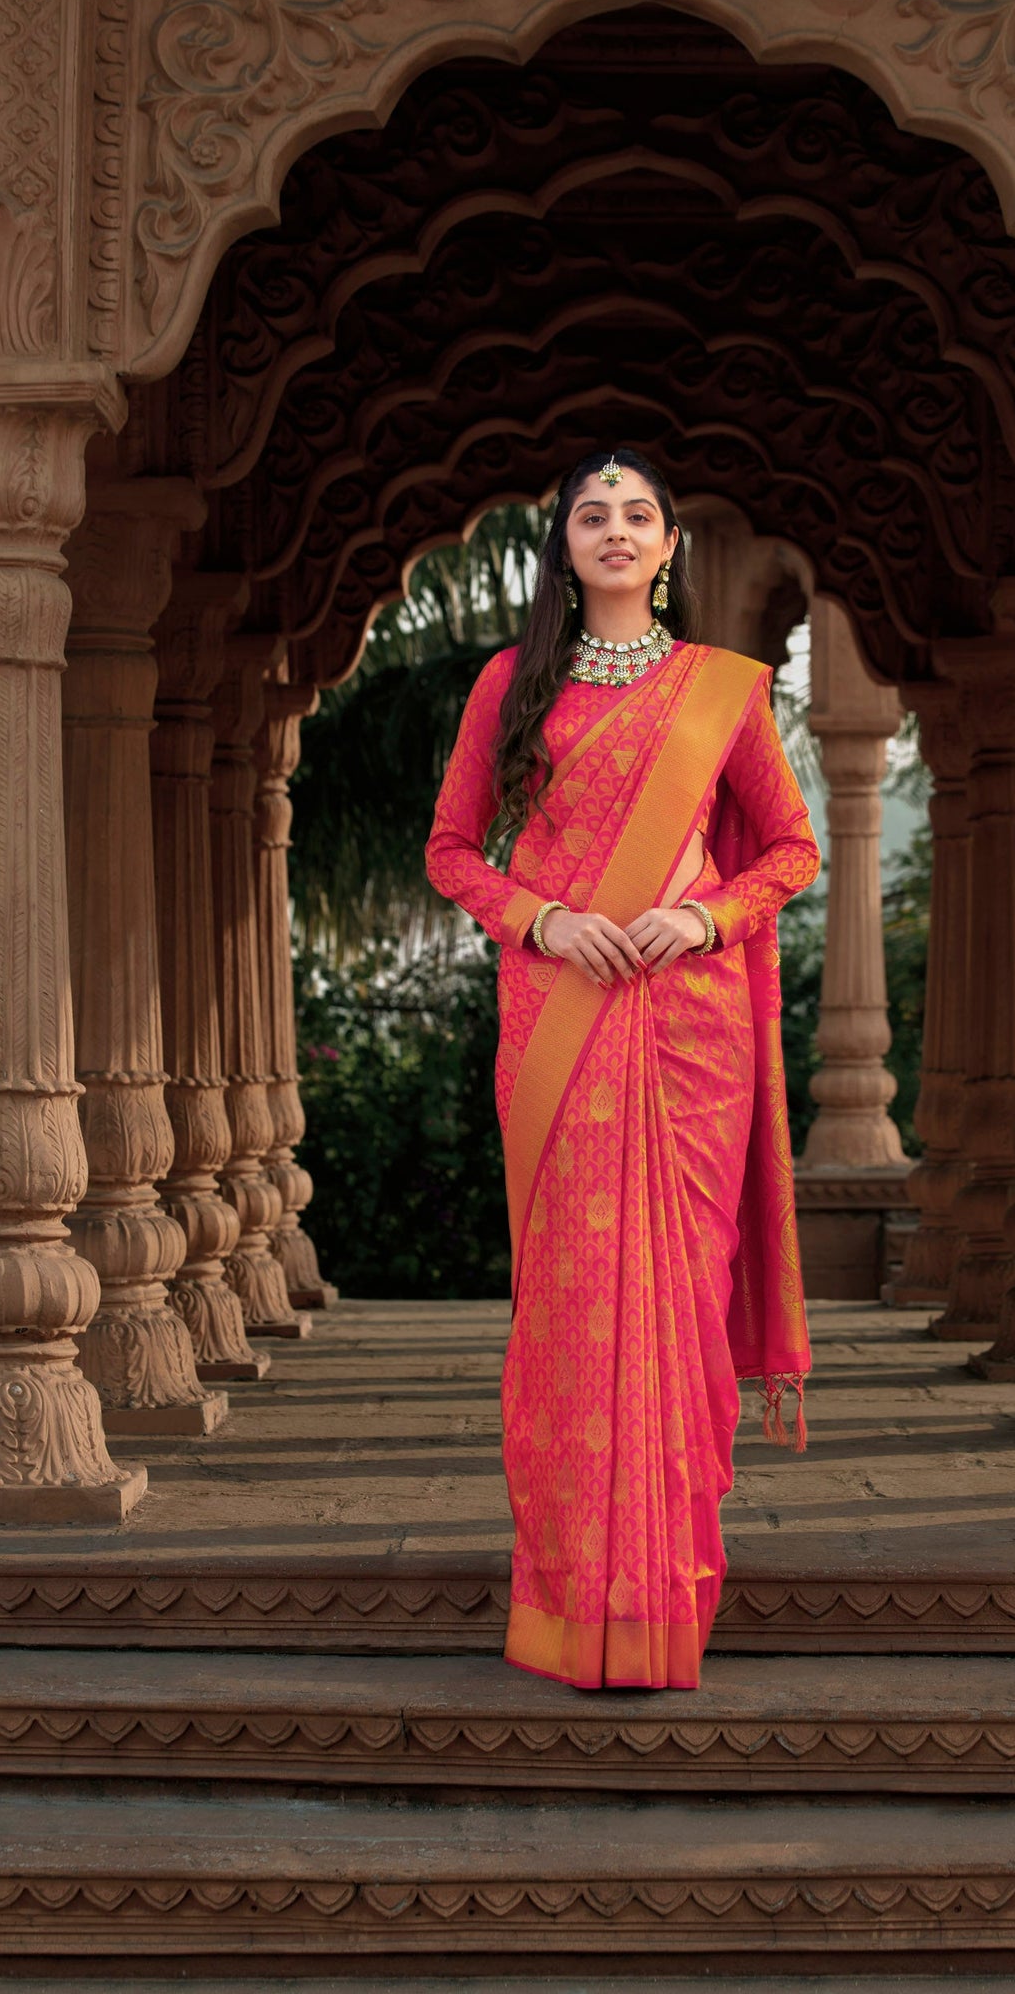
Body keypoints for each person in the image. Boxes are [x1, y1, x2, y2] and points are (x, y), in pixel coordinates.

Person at [425, 448, 819, 1689]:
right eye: (591, 514)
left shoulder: (721, 691)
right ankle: (570, 1601)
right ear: (565, 547)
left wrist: (702, 919)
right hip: (558, 1016)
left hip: (688, 1026)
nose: (614, 529)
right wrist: (540, 918)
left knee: (677, 1307)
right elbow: (449, 850)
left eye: (637, 514)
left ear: (666, 550)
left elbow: (792, 848)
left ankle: (661, 1600)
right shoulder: (509, 683)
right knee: (572, 1303)